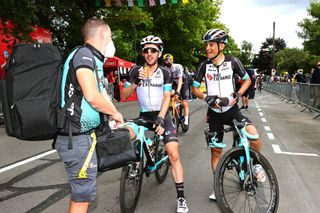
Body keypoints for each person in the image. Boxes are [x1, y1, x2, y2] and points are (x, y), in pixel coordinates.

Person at [55, 18, 124, 213]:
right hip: (76, 138)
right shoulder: (84, 55)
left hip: (82, 138)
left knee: (80, 195)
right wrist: (115, 113)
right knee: (81, 199)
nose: (111, 41)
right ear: (103, 34)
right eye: (110, 36)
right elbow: (92, 97)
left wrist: (112, 114)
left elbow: (101, 93)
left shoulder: (93, 60)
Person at [191, 29, 265, 201]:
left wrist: (237, 95)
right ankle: (218, 186)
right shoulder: (203, 65)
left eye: (211, 44)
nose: (207, 48)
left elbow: (247, 80)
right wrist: (206, 97)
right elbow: (194, 89)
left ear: (221, 45)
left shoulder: (233, 62)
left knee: (254, 137)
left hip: (232, 110)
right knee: (216, 152)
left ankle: (254, 164)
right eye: (206, 45)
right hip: (214, 113)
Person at [121, 35, 189, 213]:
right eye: (146, 50)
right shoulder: (136, 71)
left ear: (159, 53)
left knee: (173, 155)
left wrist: (161, 117)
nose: (149, 53)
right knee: (127, 134)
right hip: (144, 114)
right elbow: (123, 96)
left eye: (153, 50)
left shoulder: (165, 73)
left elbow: (167, 97)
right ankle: (147, 147)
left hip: (162, 115)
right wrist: (135, 82)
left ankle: (181, 198)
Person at [163, 53, 190, 128]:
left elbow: (180, 80)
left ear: (172, 60)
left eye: (168, 60)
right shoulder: (165, 69)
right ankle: (174, 109)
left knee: (184, 103)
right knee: (170, 94)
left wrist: (178, 91)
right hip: (174, 83)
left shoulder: (177, 67)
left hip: (183, 82)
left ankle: (186, 121)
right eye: (165, 61)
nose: (166, 62)